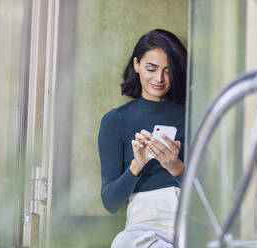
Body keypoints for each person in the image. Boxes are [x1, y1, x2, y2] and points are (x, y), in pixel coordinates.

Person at [98, 29, 187, 248]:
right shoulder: (115, 120)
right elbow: (110, 202)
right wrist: (136, 166)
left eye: (168, 70)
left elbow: (210, 191)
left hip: (188, 215)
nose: (159, 78)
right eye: (151, 68)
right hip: (145, 222)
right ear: (136, 65)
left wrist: (176, 167)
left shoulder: (191, 115)